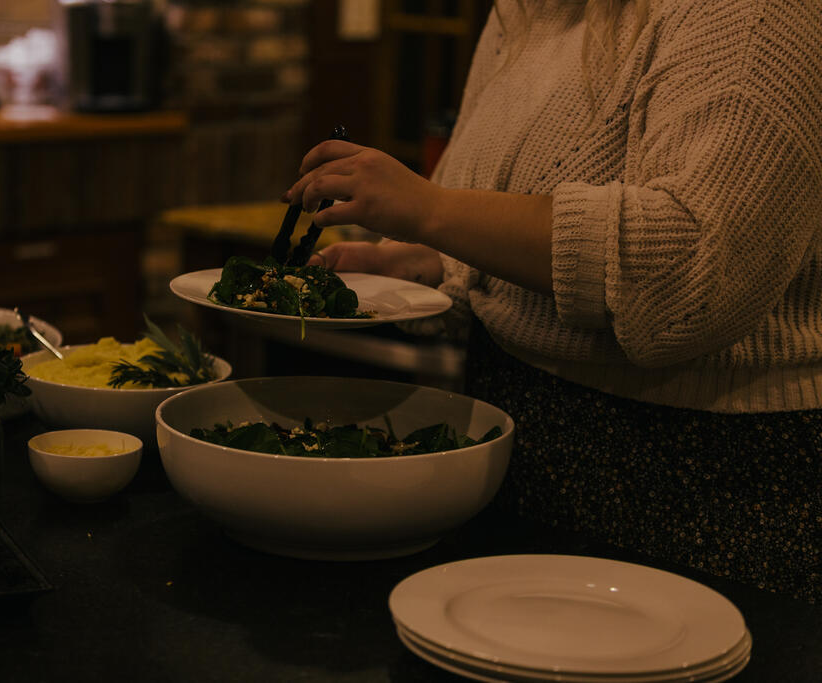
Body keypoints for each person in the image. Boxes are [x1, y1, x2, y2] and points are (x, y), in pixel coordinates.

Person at [284, 0, 822, 602]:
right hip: (512, 430)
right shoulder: (527, 8)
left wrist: (429, 210)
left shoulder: (760, 15)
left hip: (704, 476)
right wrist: (437, 260)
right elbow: (498, 207)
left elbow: (690, 275)